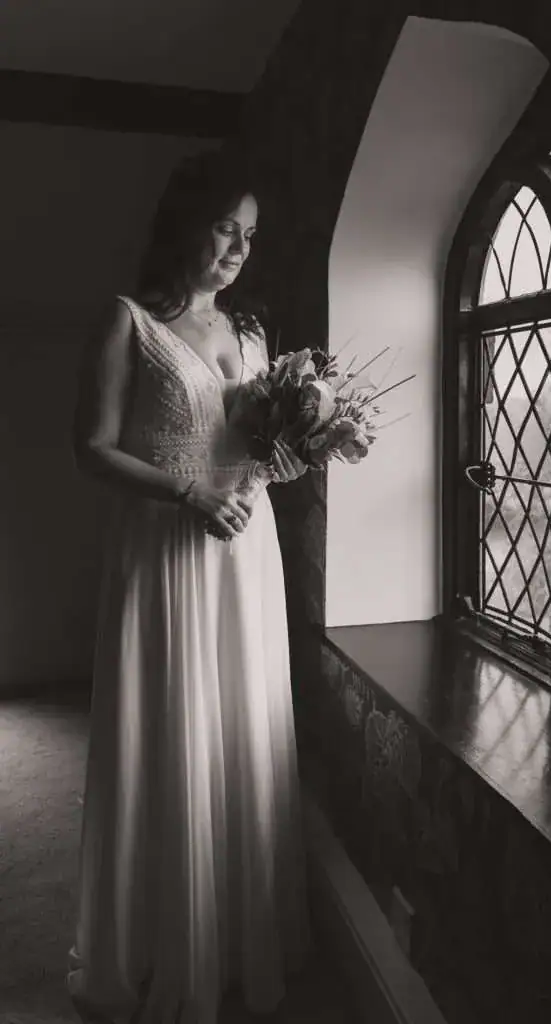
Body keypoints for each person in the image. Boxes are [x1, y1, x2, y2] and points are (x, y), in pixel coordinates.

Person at [67, 148, 311, 1023]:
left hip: (244, 554)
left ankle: (239, 942)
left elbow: (259, 441)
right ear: (186, 220)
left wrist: (293, 453)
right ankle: (160, 948)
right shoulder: (127, 320)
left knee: (239, 729)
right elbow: (90, 445)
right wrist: (185, 492)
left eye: (249, 236)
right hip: (165, 549)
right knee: (167, 733)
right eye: (225, 227)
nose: (239, 248)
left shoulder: (253, 331)